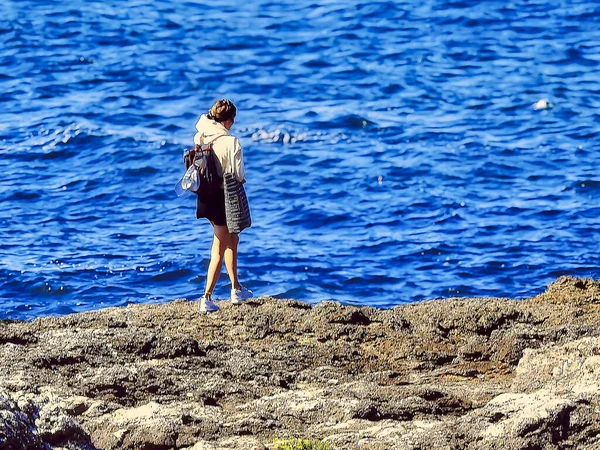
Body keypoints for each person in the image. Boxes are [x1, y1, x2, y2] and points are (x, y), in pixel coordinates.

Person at [193, 99, 252, 313]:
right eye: (232, 121)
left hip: (206, 195)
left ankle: (236, 288)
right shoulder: (231, 142)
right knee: (219, 247)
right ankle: (206, 298)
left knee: (232, 238)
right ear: (227, 121)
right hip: (224, 197)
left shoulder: (201, 134)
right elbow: (239, 174)